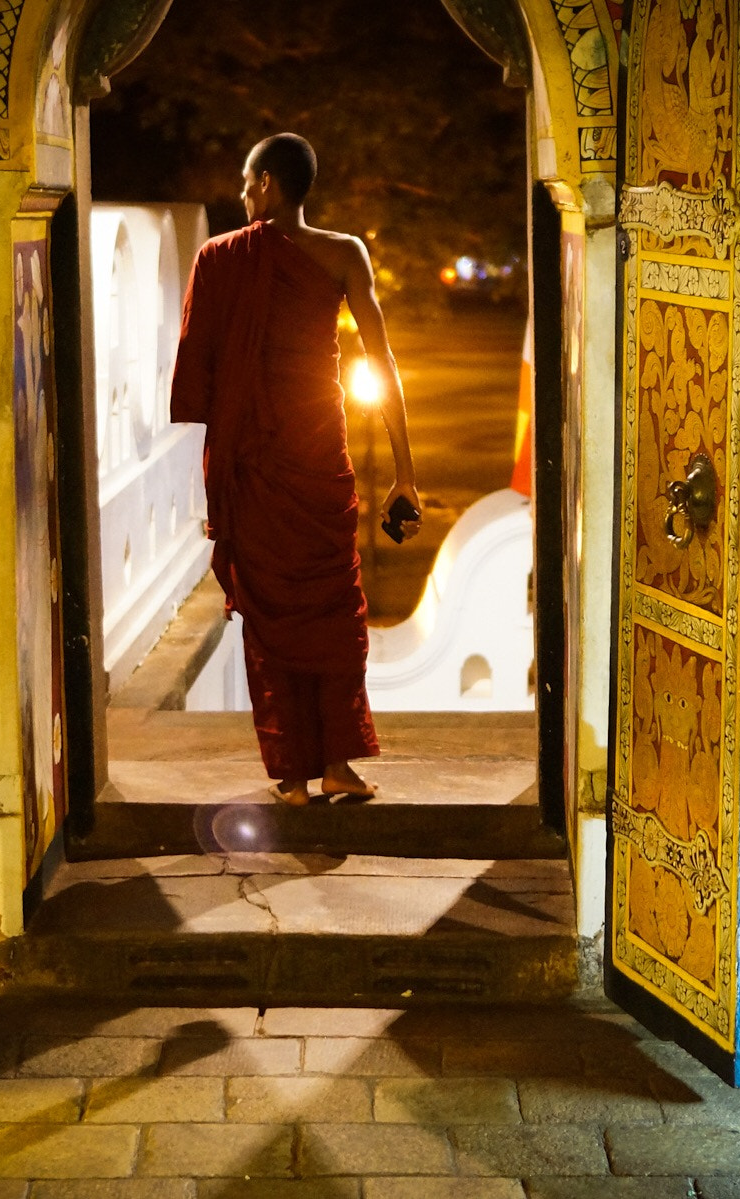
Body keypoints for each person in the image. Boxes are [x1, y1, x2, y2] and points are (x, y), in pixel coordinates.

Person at [170, 132, 421, 805]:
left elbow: (202, 368)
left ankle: (298, 776)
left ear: (270, 185)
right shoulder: (345, 254)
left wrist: (220, 480)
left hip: (264, 464)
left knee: (276, 619)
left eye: (248, 182)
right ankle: (331, 762)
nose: (243, 194)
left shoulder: (219, 259)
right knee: (334, 609)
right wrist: (406, 471)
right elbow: (382, 360)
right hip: (315, 454)